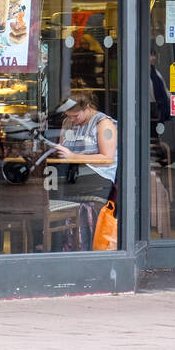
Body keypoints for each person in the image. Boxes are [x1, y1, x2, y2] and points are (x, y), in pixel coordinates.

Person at [51, 90, 118, 245]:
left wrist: (73, 157)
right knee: (48, 183)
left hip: (98, 175)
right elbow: (64, 151)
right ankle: (54, 240)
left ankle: (60, 241)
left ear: (87, 107)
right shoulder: (67, 122)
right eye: (68, 115)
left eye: (76, 116)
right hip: (74, 174)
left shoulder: (103, 123)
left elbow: (107, 159)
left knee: (52, 189)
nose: (72, 120)